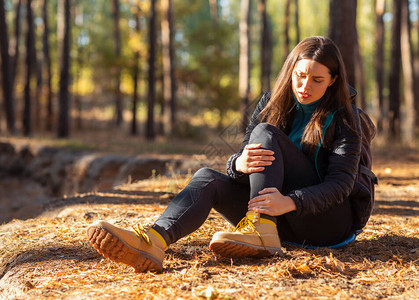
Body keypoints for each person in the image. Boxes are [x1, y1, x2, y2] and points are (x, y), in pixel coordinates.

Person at [87, 36, 362, 273]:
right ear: (290, 71)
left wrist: (289, 202)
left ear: (333, 80)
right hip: (280, 221)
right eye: (300, 76)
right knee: (208, 177)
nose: (305, 86)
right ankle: (154, 242)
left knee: (266, 132)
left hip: (326, 223)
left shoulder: (345, 119)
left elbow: (341, 185)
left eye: (317, 80)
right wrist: (239, 164)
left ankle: (261, 229)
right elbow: (248, 168)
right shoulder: (270, 104)